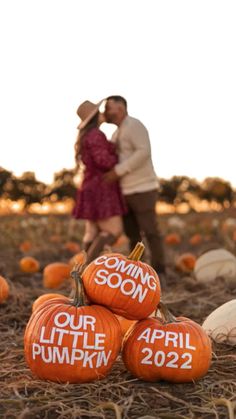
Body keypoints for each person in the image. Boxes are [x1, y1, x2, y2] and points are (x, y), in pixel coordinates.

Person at [103, 95, 166, 278]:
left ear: (121, 107)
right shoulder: (116, 133)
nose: (106, 111)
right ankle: (136, 271)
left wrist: (118, 171)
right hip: (125, 191)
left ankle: (159, 270)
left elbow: (144, 151)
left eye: (109, 107)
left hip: (142, 188)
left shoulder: (134, 125)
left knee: (150, 230)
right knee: (132, 234)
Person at [73, 99, 126, 263]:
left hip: (90, 186)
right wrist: (118, 157)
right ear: (95, 116)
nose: (103, 112)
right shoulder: (96, 134)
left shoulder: (86, 136)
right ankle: (87, 267)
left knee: (92, 231)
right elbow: (103, 160)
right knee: (113, 230)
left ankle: (82, 273)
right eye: (99, 111)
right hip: (101, 187)